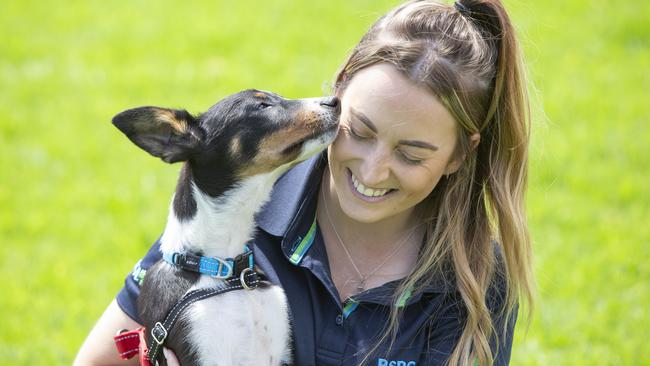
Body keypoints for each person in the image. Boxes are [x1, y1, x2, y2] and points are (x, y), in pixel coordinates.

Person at [75, 0, 534, 365]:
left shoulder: (474, 277)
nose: (373, 172)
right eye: (359, 131)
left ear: (460, 153)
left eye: (411, 154)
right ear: (339, 89)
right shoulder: (234, 210)